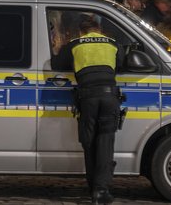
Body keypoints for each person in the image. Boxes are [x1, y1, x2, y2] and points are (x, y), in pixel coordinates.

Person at [57, 16, 122, 204]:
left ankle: (93, 187)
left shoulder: (74, 45)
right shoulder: (112, 44)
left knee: (88, 141)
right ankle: (101, 190)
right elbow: (121, 64)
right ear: (99, 30)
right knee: (105, 141)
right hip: (109, 97)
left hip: (87, 98)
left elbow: (57, 64)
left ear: (81, 32)